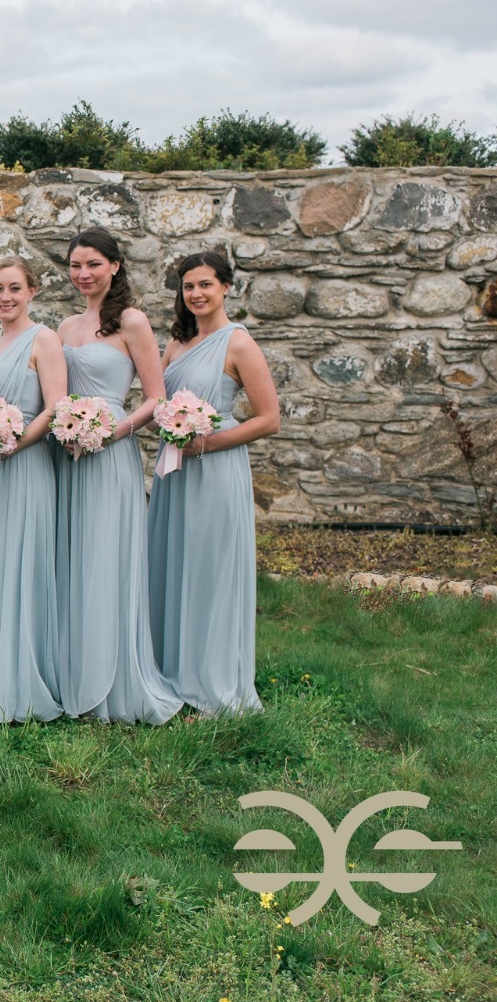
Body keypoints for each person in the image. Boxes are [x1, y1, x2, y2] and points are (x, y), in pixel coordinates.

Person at [53, 228, 181, 725]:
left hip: (110, 453)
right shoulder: (63, 328)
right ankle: (73, 672)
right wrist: (63, 428)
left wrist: (112, 432)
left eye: (93, 265)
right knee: (72, 558)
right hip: (66, 453)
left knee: (106, 556)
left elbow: (155, 398)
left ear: (115, 267)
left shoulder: (132, 322)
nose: (84, 274)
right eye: (76, 265)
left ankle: (115, 681)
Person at [148, 251, 279, 714]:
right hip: (175, 469)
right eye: (188, 287)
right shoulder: (176, 343)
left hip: (215, 467)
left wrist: (208, 443)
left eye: (205, 284)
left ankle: (215, 680)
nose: (196, 294)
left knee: (210, 569)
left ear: (225, 287)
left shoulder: (238, 343)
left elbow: (268, 419)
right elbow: (159, 401)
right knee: (171, 563)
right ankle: (172, 670)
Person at [0, 257, 65, 722]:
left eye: (14, 289)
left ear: (32, 292)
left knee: (20, 566)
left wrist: (12, 444)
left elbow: (55, 407)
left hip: (24, 467)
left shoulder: (43, 338)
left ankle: (22, 686)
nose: (5, 297)